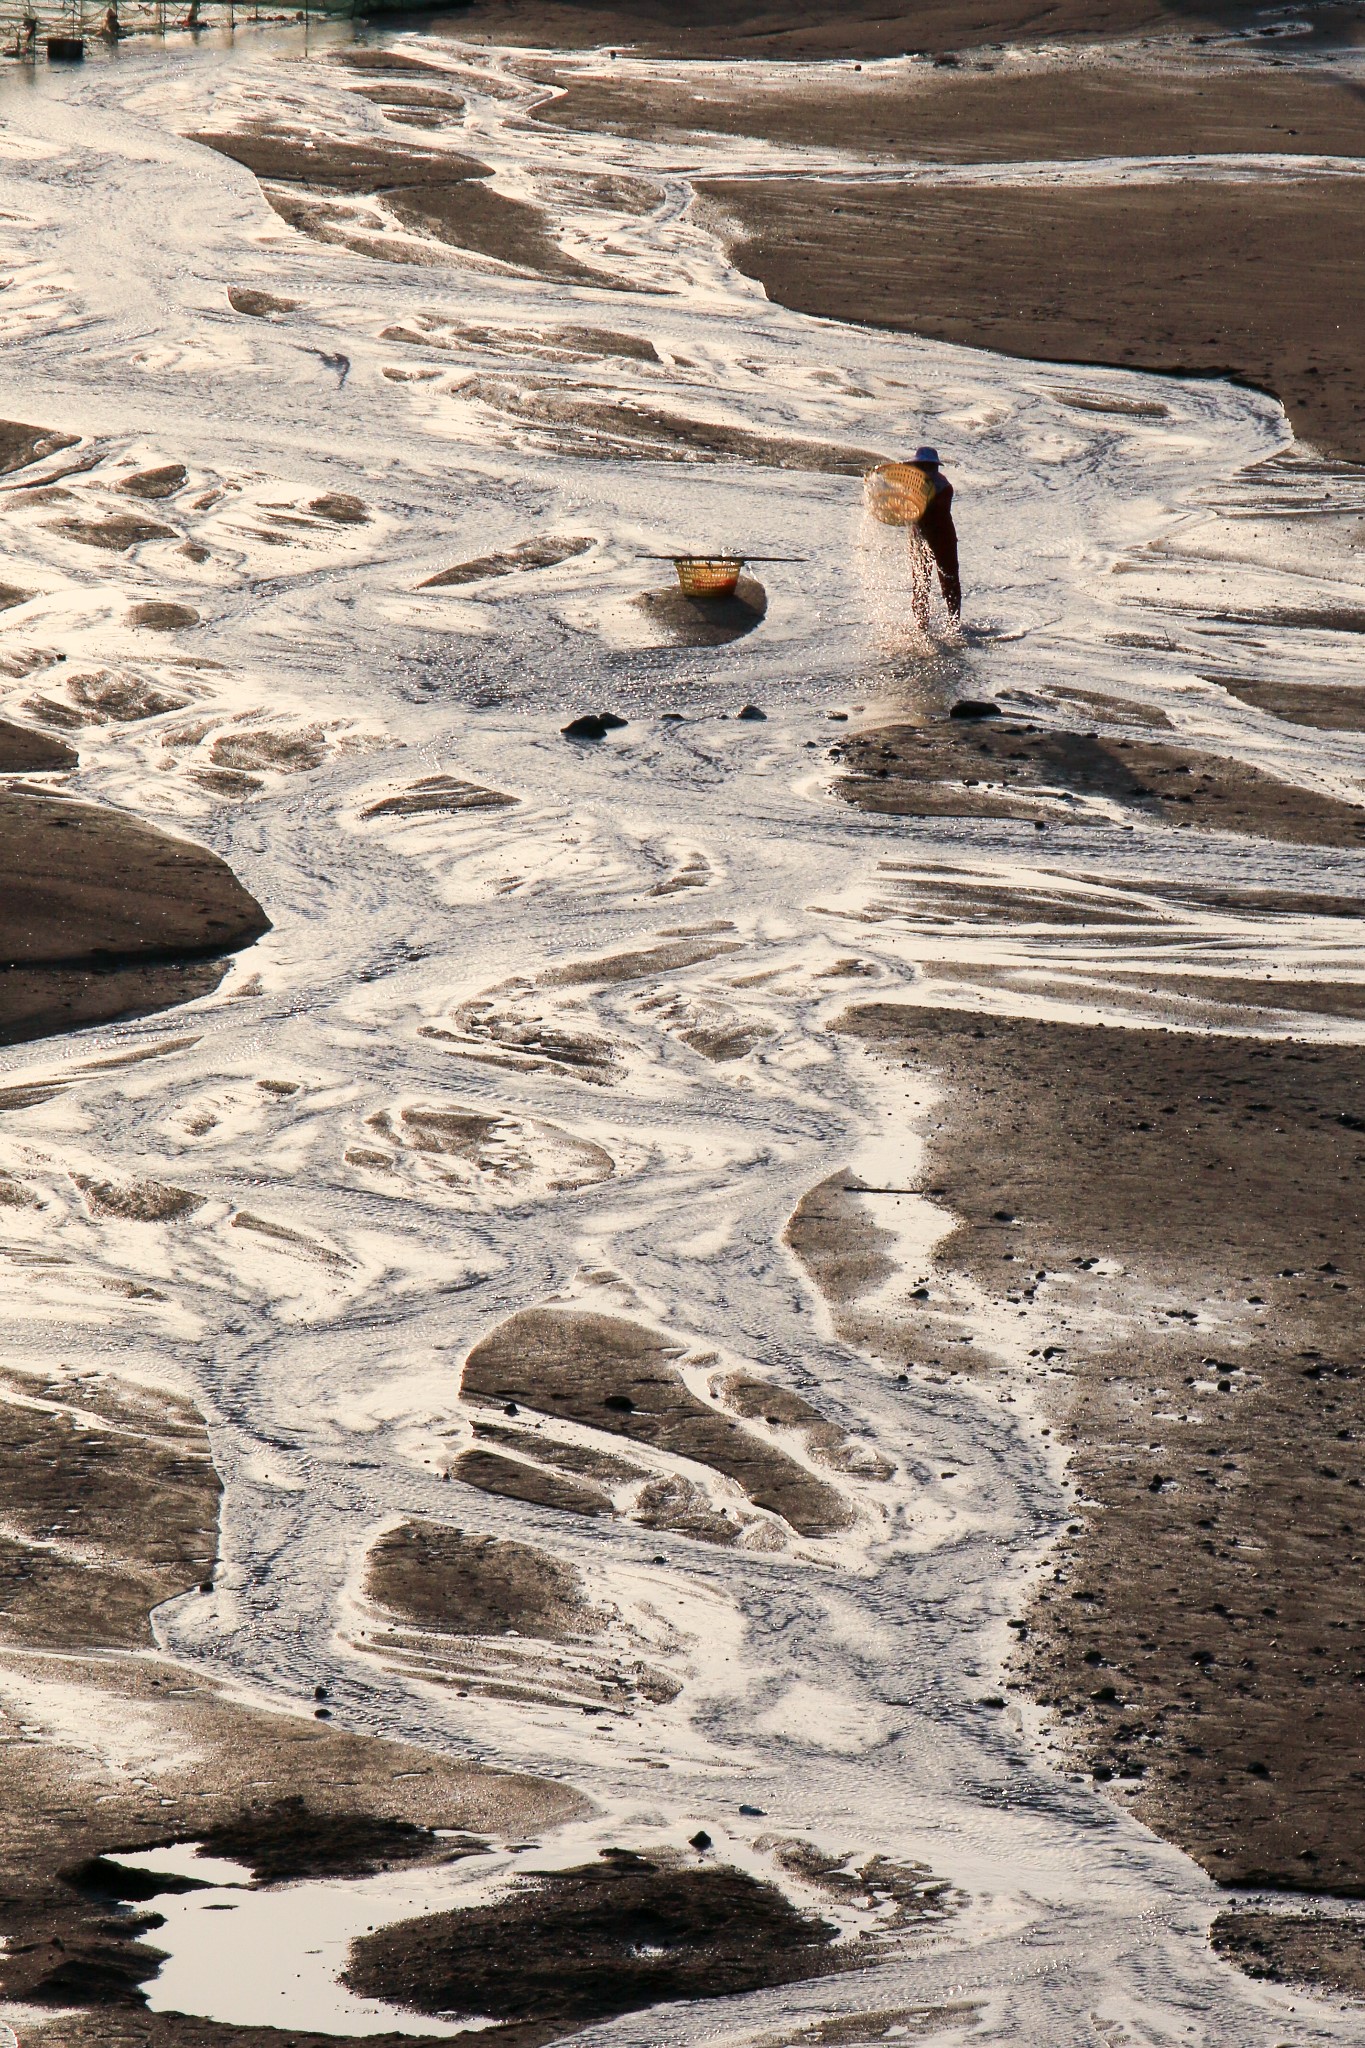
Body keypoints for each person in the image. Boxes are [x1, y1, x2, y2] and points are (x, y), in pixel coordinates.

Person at [904, 446, 961, 628]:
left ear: (935, 468)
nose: (925, 470)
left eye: (928, 466)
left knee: (949, 581)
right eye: (921, 466)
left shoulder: (944, 487)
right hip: (919, 537)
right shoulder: (911, 486)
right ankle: (921, 625)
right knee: (920, 583)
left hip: (942, 536)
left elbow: (936, 511)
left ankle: (954, 623)